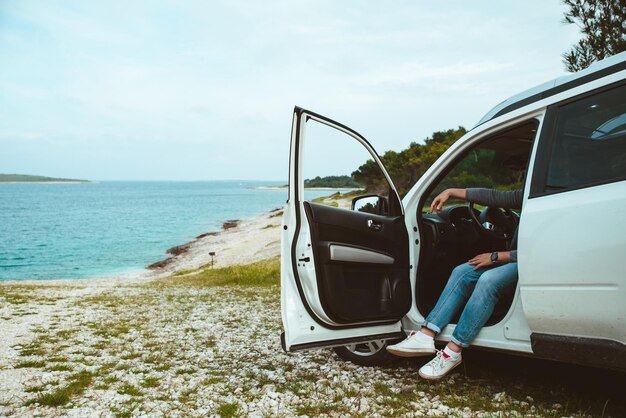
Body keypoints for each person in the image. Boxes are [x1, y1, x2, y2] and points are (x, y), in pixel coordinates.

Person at [386, 187, 522, 380]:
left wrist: (497, 256)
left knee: (488, 280)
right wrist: (450, 191)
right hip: (515, 258)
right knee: (462, 271)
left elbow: (542, 250)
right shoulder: (532, 192)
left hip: (529, 262)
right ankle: (425, 334)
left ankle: (453, 351)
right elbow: (496, 196)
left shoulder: (554, 200)